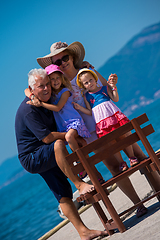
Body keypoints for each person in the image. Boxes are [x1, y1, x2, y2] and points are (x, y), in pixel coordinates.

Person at [36, 41, 149, 217]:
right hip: (92, 132)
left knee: (139, 156)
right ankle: (138, 204)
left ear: (72, 57)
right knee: (115, 167)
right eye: (57, 62)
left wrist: (98, 73)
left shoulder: (86, 72)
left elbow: (107, 89)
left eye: (65, 57)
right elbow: (32, 89)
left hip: (112, 121)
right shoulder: (58, 86)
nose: (62, 63)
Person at [15, 68, 108, 240]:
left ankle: (83, 232)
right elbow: (47, 138)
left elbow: (36, 92)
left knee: (63, 193)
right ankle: (79, 183)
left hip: (45, 152)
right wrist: (70, 135)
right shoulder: (29, 109)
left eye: (47, 85)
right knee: (58, 143)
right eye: (41, 86)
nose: (46, 89)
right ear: (33, 89)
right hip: (32, 157)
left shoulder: (45, 99)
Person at [74, 68, 139, 172]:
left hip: (114, 116)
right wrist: (80, 108)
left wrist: (114, 88)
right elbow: (90, 112)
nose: (89, 83)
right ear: (83, 86)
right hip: (102, 122)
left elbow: (115, 99)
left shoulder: (104, 89)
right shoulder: (86, 96)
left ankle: (132, 157)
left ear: (95, 79)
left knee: (124, 135)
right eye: (86, 83)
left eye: (90, 80)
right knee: (111, 142)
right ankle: (122, 162)